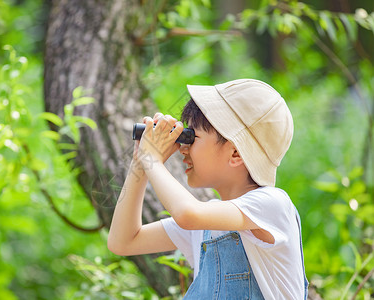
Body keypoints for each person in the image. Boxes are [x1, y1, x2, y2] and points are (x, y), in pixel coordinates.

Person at [107, 79, 309, 299]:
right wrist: (140, 163)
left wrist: (153, 159)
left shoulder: (272, 204)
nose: (183, 147)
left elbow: (188, 214)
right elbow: (123, 241)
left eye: (192, 137)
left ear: (235, 153)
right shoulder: (205, 227)